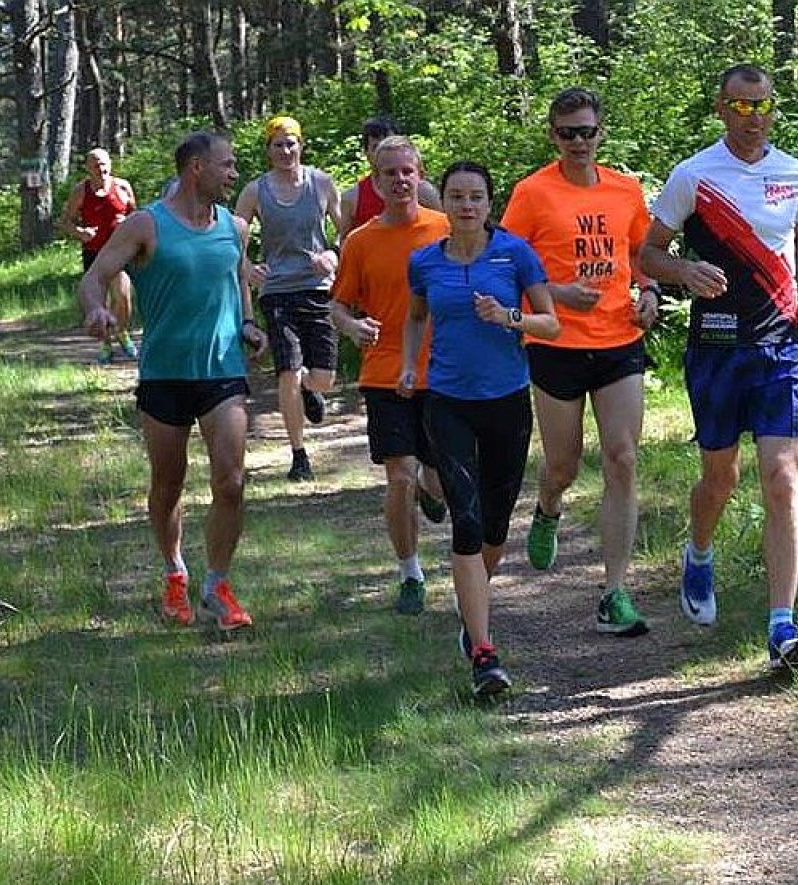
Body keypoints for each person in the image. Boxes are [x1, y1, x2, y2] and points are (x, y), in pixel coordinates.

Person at [639, 64, 798, 672]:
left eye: (763, 105)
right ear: (722, 109)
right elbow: (647, 253)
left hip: (782, 346)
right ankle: (699, 552)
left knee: (783, 478)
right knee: (720, 480)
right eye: (742, 106)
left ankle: (782, 627)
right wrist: (683, 271)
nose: (753, 118)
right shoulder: (694, 176)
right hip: (718, 349)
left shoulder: (794, 174)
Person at [78, 130, 267, 632]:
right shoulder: (146, 224)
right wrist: (95, 309)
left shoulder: (234, 227)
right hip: (164, 373)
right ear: (196, 168)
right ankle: (175, 573)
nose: (234, 174)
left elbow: (237, 278)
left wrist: (248, 323)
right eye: (227, 165)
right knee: (168, 482)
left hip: (223, 371)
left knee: (231, 481)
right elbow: (94, 276)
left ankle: (218, 586)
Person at [502, 87, 659, 639]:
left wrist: (649, 291)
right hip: (556, 343)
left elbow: (641, 253)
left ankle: (614, 592)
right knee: (563, 466)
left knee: (623, 458)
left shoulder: (625, 189)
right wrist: (557, 294)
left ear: (600, 134)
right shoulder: (532, 193)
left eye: (587, 132)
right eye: (568, 133)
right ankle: (548, 504)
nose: (578, 142)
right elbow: (506, 263)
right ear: (553, 135)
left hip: (618, 338)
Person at [401, 160, 559, 696]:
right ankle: (484, 653)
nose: (466, 205)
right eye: (456, 196)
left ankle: (474, 606)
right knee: (466, 523)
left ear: (490, 204)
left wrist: (509, 317)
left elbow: (551, 323)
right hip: (448, 402)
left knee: (494, 527)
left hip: (506, 403)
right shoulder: (424, 261)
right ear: (442, 202)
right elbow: (416, 316)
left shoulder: (516, 254)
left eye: (476, 197)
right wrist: (408, 364)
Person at [330, 136, 451, 617]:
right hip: (385, 373)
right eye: (389, 173)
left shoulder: (446, 229)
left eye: (407, 171)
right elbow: (338, 306)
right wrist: (352, 326)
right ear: (376, 183)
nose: (399, 180)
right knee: (398, 476)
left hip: (444, 373)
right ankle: (410, 574)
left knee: (439, 479)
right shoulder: (360, 242)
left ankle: (430, 486)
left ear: (420, 175)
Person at [235, 115, 342, 482]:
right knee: (288, 371)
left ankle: (311, 389)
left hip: (318, 287)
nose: (285, 151)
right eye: (278, 145)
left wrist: (333, 255)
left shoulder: (322, 183)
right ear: (268, 150)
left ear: (301, 145)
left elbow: (347, 233)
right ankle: (299, 456)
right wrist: (248, 267)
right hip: (277, 290)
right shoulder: (255, 191)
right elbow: (232, 240)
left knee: (323, 378)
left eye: (290, 143)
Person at [60, 148, 138, 365]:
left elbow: (137, 215)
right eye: (95, 165)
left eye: (104, 164)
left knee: (123, 296)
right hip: (94, 252)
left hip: (120, 251)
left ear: (110, 165)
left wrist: (127, 223)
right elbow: (65, 222)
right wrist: (81, 233)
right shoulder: (81, 191)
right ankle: (105, 344)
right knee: (99, 303)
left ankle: (122, 332)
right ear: (88, 168)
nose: (101, 168)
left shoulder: (122, 187)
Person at [339, 115, 442, 238]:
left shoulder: (424, 191)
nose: (385, 153)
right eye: (376, 147)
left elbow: (447, 232)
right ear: (366, 153)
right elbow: (344, 241)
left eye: (389, 145)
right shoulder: (353, 197)